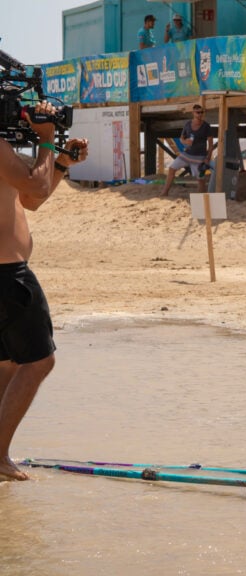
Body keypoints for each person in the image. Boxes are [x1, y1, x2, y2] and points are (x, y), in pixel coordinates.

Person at [0, 102, 89, 481]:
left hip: (6, 273)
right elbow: (35, 184)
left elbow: (31, 200)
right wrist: (48, 141)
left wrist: (61, 162)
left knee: (9, 364)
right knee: (39, 362)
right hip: (8, 276)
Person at [160, 104, 214, 196]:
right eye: (198, 112)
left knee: (200, 179)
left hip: (199, 157)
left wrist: (207, 158)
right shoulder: (188, 124)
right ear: (193, 113)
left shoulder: (206, 126)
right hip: (186, 154)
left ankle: (201, 198)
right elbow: (181, 138)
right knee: (172, 169)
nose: (200, 114)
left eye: (201, 112)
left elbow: (211, 144)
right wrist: (185, 141)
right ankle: (164, 193)